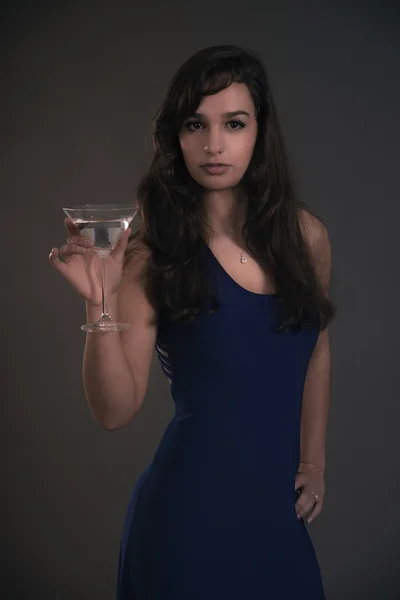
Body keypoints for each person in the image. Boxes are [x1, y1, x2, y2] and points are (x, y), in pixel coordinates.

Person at [49, 44, 336, 599]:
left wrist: (313, 461)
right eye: (194, 124)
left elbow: (316, 350)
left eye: (234, 123)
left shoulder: (308, 239)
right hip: (184, 522)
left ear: (260, 130)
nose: (213, 145)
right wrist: (98, 303)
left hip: (274, 521)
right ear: (175, 137)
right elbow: (114, 411)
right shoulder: (152, 252)